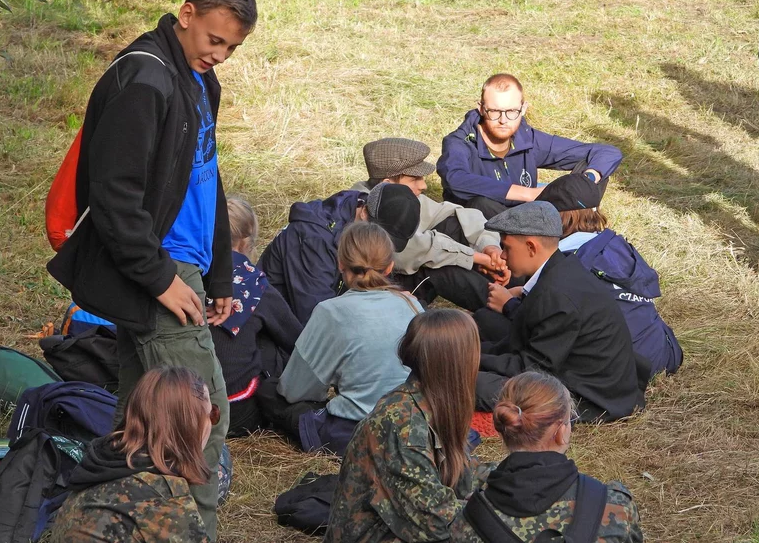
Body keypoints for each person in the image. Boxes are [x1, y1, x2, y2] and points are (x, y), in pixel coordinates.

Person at [47, 0, 258, 533]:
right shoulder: (144, 79)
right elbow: (114, 198)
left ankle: (101, 523)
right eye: (215, 40)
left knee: (137, 420)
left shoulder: (197, 78)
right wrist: (162, 279)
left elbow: (206, 178)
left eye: (232, 48)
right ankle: (189, 530)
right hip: (158, 269)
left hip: (183, 267)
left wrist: (219, 273)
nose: (221, 55)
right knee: (202, 416)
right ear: (187, 14)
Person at [325, 309, 494, 543]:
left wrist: (519, 479)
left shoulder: (432, 404)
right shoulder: (402, 424)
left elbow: (466, 474)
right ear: (458, 363)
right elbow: (438, 524)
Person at [257, 222, 422, 456]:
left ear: (340, 263)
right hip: (412, 426)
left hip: (358, 433)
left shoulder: (330, 311)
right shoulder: (413, 305)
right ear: (390, 267)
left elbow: (295, 391)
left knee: (269, 391)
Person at [476, 202, 647, 422]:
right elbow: (525, 336)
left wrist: (472, 358)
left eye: (506, 247)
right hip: (567, 368)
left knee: (470, 383)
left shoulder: (556, 295)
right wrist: (475, 351)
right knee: (485, 321)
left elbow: (532, 368)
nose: (502, 256)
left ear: (531, 247)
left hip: (586, 398)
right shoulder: (560, 267)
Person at [452, 371, 644, 543]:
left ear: (504, 429)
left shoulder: (466, 522)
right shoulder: (615, 507)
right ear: (561, 432)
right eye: (570, 420)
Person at [530, 173, 682, 377]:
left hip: (616, 369)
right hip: (661, 353)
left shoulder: (564, 262)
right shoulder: (616, 244)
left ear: (557, 218)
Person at [50, 367, 218, 543]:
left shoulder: (100, 464)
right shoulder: (165, 499)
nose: (212, 424)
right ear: (189, 425)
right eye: (212, 414)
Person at [351, 137, 510, 311]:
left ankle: (516, 292)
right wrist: (476, 258)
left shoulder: (396, 196)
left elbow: (454, 213)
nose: (423, 185)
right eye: (415, 179)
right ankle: (505, 308)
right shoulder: (367, 208)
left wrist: (490, 248)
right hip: (379, 291)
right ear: (387, 184)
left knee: (454, 226)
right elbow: (412, 250)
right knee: (438, 265)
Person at [436, 73, 622, 219]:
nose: (503, 120)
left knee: (593, 172)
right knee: (481, 204)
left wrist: (587, 180)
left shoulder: (527, 138)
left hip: (528, 216)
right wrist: (529, 194)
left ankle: (571, 225)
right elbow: (455, 179)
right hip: (483, 226)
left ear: (523, 109)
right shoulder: (460, 143)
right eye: (494, 111)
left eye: (511, 111)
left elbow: (606, 152)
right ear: (482, 108)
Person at [258, 182, 420, 323]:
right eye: (379, 235)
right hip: (278, 329)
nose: (380, 244)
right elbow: (316, 319)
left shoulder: (360, 213)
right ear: (364, 212)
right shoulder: (315, 240)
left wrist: (393, 301)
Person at [211, 197, 303, 437]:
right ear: (246, 240)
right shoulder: (255, 285)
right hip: (237, 412)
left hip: (183, 408)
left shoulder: (187, 275)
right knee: (268, 339)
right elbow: (296, 341)